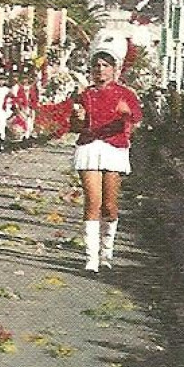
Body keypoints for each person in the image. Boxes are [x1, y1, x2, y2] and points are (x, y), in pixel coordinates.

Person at [71, 36, 143, 273]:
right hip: (90, 148)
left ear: (115, 69)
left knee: (110, 207)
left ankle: (107, 252)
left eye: (105, 65)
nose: (100, 70)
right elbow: (75, 125)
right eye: (96, 65)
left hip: (114, 148)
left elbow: (137, 122)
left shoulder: (126, 94)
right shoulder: (85, 94)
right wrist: (78, 119)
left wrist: (126, 115)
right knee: (93, 202)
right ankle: (91, 257)